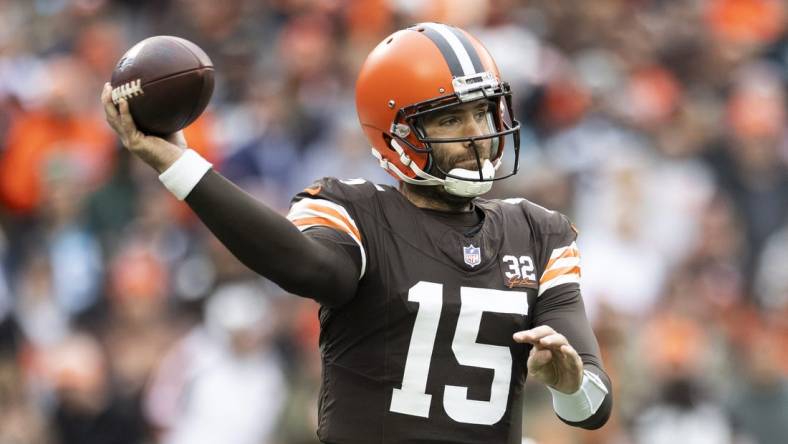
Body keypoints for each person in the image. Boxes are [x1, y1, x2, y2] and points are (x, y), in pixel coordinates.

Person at [101, 22, 612, 444]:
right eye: (451, 119)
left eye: (481, 111)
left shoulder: (538, 232)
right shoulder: (356, 210)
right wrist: (180, 165)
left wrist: (569, 383)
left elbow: (593, 407)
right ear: (397, 136)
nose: (478, 134)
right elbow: (306, 267)